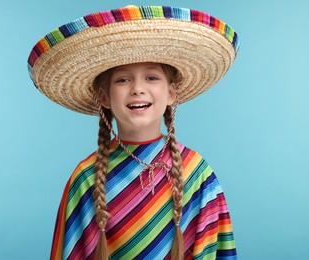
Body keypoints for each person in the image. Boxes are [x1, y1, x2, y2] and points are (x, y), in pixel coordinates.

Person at [28, 5, 239, 260]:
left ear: (171, 93)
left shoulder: (197, 173)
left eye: (151, 77)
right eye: (123, 80)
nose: (138, 88)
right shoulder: (86, 179)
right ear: (104, 96)